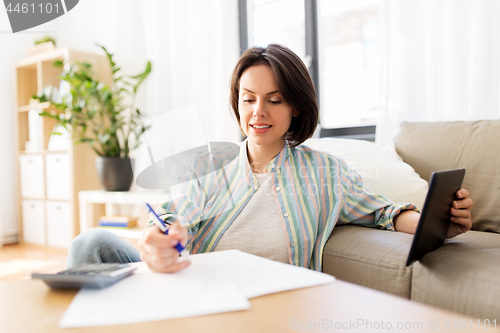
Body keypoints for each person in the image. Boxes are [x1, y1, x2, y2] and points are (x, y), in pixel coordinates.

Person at [67, 44, 473, 273]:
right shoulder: (210, 165)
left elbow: (382, 212)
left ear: (295, 106)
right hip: (194, 289)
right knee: (91, 243)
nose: (258, 112)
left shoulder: (325, 172)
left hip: (270, 301)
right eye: (248, 99)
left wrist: (436, 224)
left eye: (274, 100)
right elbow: (175, 221)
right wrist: (161, 239)